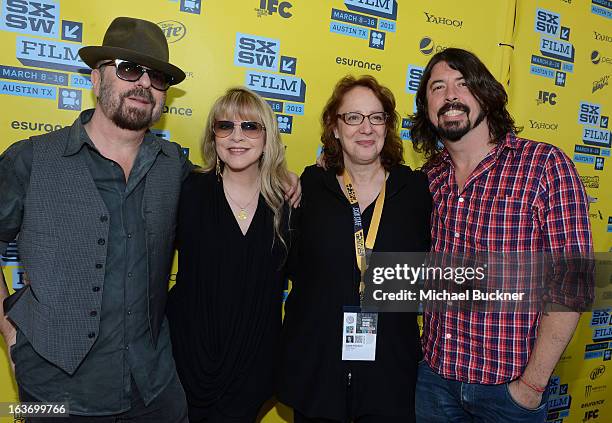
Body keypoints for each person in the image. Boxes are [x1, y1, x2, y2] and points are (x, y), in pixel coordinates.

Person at [0, 17, 301, 422]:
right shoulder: (32, 159)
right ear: (96, 78)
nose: (143, 83)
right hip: (50, 393)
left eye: (157, 76)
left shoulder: (173, 168)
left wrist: (280, 173)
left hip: (155, 391)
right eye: (128, 69)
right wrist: (9, 330)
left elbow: (233, 177)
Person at [410, 48, 593, 422]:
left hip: (508, 395)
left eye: (462, 84)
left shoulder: (544, 166)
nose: (450, 96)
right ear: (427, 108)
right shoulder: (428, 179)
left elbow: (573, 283)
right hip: (433, 382)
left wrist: (531, 387)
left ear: (485, 94)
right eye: (437, 87)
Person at [278, 75, 432, 422]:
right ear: (334, 128)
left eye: (376, 117)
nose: (366, 128)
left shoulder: (417, 191)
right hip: (317, 376)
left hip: (390, 379)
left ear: (387, 126)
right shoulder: (309, 188)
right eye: (353, 117)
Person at [166, 87, 292, 423]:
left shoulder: (287, 205)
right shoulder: (188, 191)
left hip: (254, 368)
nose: (237, 137)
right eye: (225, 126)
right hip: (185, 363)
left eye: (250, 126)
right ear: (214, 136)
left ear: (268, 137)